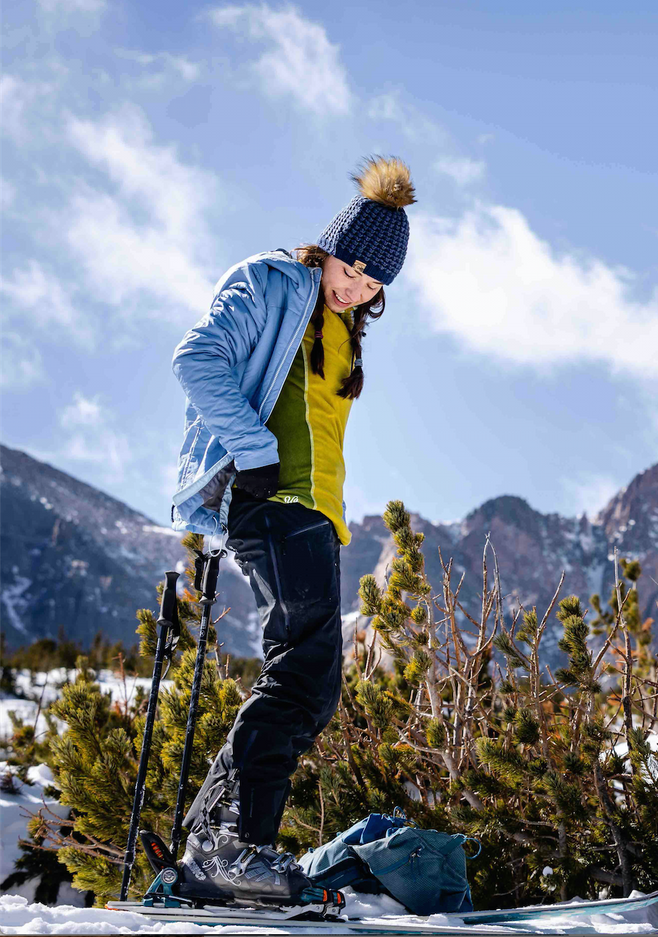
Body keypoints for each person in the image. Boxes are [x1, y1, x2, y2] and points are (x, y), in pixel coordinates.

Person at [168, 156, 415, 902]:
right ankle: (230, 847)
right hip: (270, 496)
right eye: (354, 266)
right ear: (331, 243)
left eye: (376, 282)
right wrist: (255, 452)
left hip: (316, 516)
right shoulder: (273, 282)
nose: (358, 285)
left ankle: (222, 849)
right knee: (301, 670)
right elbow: (196, 359)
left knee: (314, 685)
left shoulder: (344, 330)